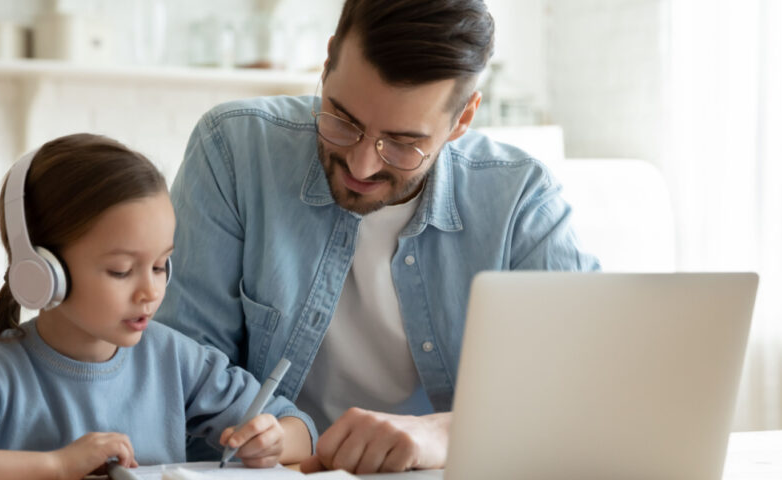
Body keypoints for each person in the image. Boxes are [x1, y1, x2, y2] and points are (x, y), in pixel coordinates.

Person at [156, 0, 600, 474]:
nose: (361, 165)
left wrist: (442, 432)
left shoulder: (521, 200)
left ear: (463, 118)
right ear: (328, 62)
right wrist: (286, 439)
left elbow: (588, 388)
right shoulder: (234, 150)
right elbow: (180, 366)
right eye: (342, 121)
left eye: (404, 142)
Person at [0, 134, 315, 480]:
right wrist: (57, 465)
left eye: (160, 266)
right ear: (42, 272)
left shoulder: (176, 359)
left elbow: (300, 427)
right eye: (121, 270)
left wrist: (272, 441)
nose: (150, 292)